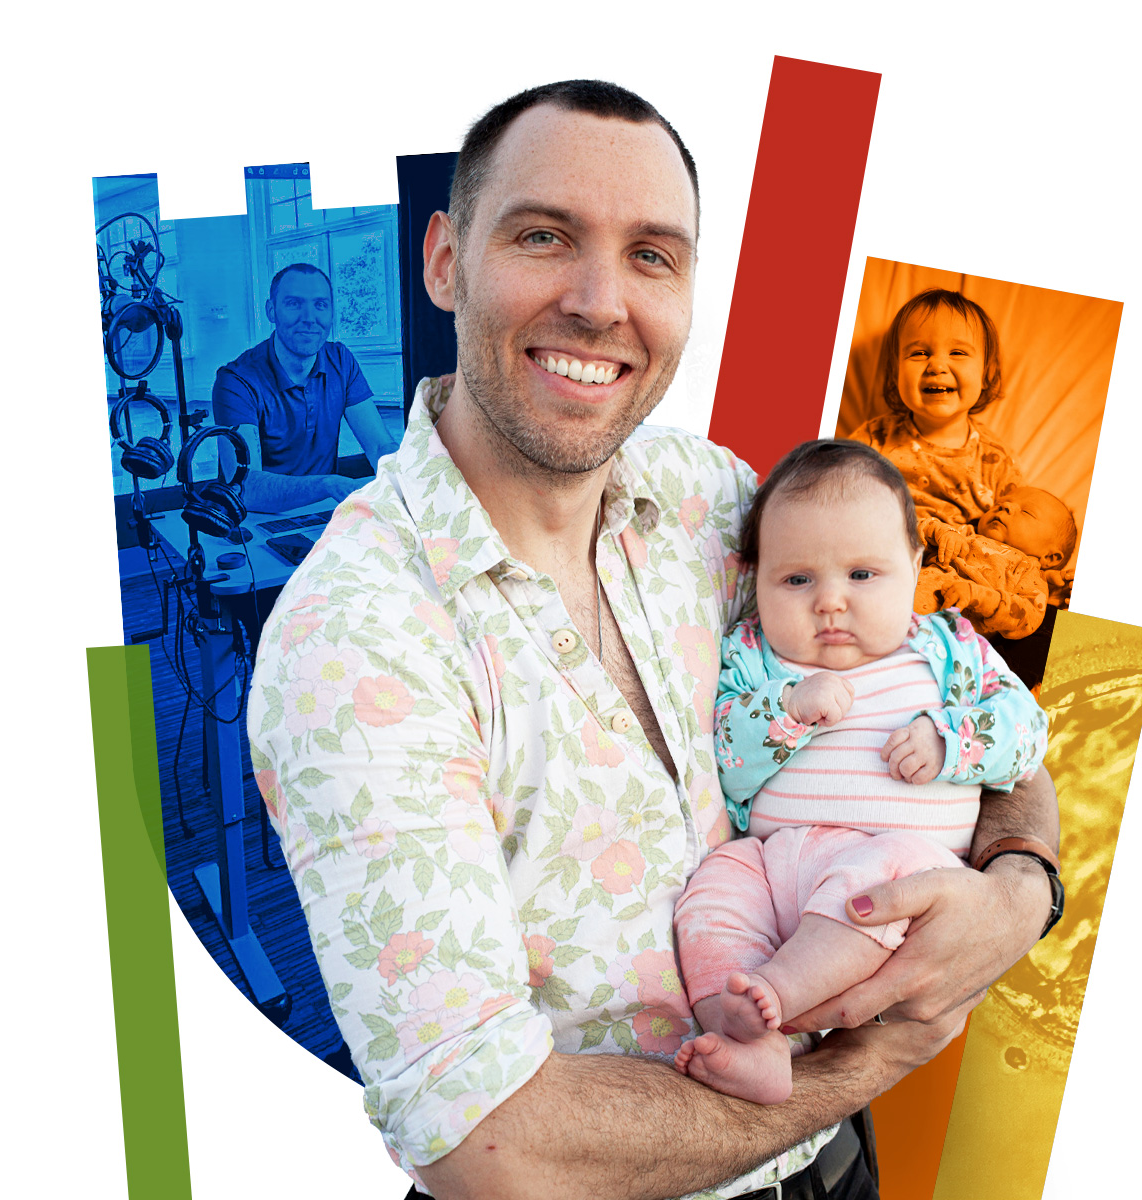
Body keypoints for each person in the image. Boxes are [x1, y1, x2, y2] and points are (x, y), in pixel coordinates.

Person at [248, 80, 1061, 1200]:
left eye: (652, 256)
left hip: (835, 1175)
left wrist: (1021, 887)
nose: (598, 301)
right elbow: (489, 1144)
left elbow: (949, 677)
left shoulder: (713, 496)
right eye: (544, 237)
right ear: (444, 260)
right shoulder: (358, 643)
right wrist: (870, 1062)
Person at [671, 440, 1050, 1105]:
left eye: (861, 575)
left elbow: (1026, 732)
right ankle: (746, 1040)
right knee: (711, 889)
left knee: (896, 865)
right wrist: (784, 711)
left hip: (897, 875)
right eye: (796, 580)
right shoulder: (756, 658)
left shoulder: (948, 650)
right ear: (755, 582)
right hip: (772, 862)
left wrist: (950, 740)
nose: (829, 603)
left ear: (913, 566)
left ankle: (779, 997)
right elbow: (727, 757)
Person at [212, 263, 400, 512]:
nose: (309, 318)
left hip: (323, 511)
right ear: (271, 311)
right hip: (256, 520)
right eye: (294, 304)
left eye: (320, 305)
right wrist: (325, 485)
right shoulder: (236, 380)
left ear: (331, 313)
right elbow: (246, 486)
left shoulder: (341, 361)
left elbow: (379, 446)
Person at [914, 485, 1078, 637]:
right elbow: (912, 533)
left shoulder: (1029, 572)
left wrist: (982, 597)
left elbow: (1027, 618)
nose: (1005, 506)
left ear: (1050, 557)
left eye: (1027, 512)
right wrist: (939, 532)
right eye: (999, 504)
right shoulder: (965, 533)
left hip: (942, 635)